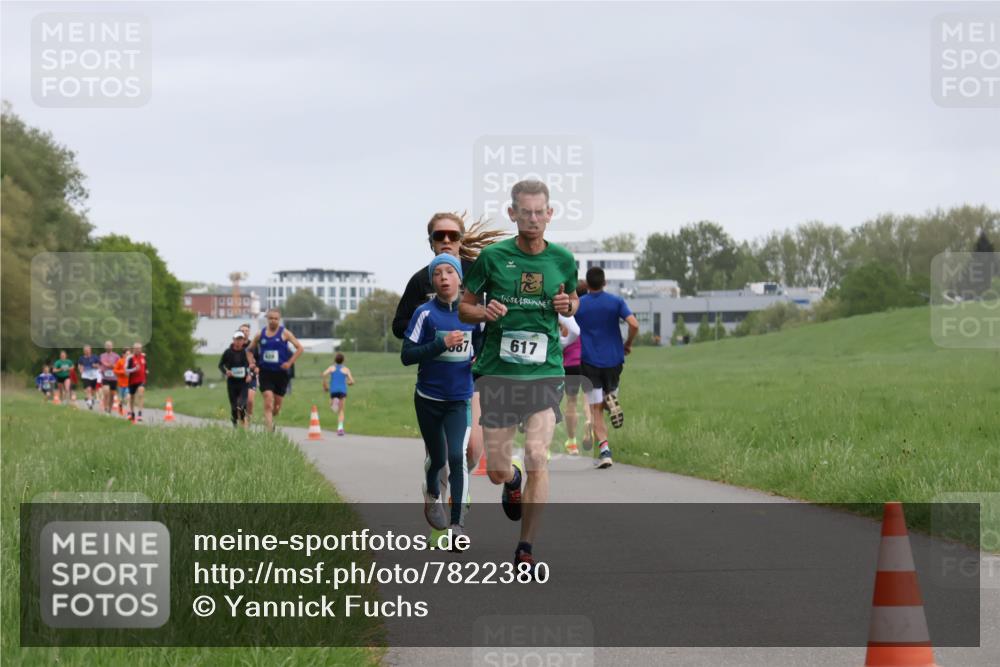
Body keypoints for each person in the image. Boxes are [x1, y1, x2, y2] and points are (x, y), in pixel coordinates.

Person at [459, 180, 578, 569]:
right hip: (498, 374)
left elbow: (572, 300)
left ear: (549, 214)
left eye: (539, 211)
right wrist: (484, 312)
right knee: (495, 469)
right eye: (524, 212)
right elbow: (465, 307)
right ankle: (510, 482)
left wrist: (568, 303)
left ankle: (525, 547)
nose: (532, 218)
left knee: (537, 455)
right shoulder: (493, 258)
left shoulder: (562, 259)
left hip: (544, 373)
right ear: (512, 214)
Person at [393, 212, 505, 474]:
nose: (446, 240)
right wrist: (429, 323)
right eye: (439, 235)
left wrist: (484, 346)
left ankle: (459, 483)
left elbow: (496, 318)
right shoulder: (421, 280)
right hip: (436, 373)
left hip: (471, 372)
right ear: (430, 242)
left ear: (460, 240)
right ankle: (441, 497)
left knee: (473, 448)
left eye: (452, 235)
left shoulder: (478, 273)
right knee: (439, 453)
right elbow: (399, 326)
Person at [403, 254, 478, 542]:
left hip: (459, 399)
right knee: (437, 459)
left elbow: (484, 347)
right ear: (433, 281)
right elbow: (407, 356)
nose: (444, 277)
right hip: (428, 399)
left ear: (460, 279)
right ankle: (432, 490)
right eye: (438, 273)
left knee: (457, 457)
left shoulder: (473, 315)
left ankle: (457, 525)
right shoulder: (425, 313)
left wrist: (478, 359)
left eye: (450, 272)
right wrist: (440, 344)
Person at [575, 266, 640, 469]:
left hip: (589, 361)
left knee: (595, 409)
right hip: (614, 359)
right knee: (605, 400)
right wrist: (628, 343)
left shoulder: (579, 304)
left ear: (587, 284)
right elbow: (634, 324)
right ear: (604, 282)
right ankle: (610, 397)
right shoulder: (616, 302)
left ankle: (605, 451)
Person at [250, 308, 304, 431]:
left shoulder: (285, 333)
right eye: (271, 318)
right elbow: (249, 350)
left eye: (276, 319)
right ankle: (269, 431)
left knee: (277, 407)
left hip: (281, 374)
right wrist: (252, 362)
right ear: (267, 319)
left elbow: (300, 348)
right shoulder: (260, 334)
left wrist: (289, 363)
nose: (273, 321)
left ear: (279, 320)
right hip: (265, 373)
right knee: (268, 402)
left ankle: (271, 419)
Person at [219, 331, 255, 428]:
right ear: (233, 340)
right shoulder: (228, 352)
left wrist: (249, 375)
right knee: (234, 407)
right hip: (232, 383)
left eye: (241, 339)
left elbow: (251, 366)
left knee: (242, 404)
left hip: (243, 383)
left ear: (243, 341)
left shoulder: (246, 353)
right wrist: (226, 372)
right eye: (237, 339)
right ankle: (235, 422)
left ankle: (243, 423)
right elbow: (220, 365)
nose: (238, 342)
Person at [322, 353, 355, 436]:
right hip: (342, 391)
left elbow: (324, 374)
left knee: (333, 407)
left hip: (333, 391)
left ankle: (334, 403)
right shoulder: (346, 370)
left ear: (334, 360)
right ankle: (340, 429)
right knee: (341, 411)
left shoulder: (331, 368)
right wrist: (348, 383)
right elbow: (352, 381)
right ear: (343, 360)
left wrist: (325, 385)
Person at [239, 323, 258, 423]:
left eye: (246, 331)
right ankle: (242, 422)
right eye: (242, 331)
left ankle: (249, 417)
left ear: (249, 333)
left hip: (252, 376)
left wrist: (257, 367)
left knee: (250, 400)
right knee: (240, 403)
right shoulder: (236, 345)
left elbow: (259, 359)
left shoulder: (253, 345)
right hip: (239, 378)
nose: (245, 333)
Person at [125, 342, 148, 422]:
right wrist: (134, 369)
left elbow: (145, 367)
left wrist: (146, 371)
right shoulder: (130, 358)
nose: (138, 350)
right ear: (133, 349)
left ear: (141, 349)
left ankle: (140, 414)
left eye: (139, 348)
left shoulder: (143, 357)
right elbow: (126, 370)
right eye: (136, 348)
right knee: (132, 398)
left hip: (141, 380)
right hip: (132, 381)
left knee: (141, 394)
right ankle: (132, 412)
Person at [98, 341, 120, 415]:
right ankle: (106, 408)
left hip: (114, 378)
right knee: (106, 392)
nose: (108, 347)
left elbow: (119, 365)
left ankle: (109, 409)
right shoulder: (102, 355)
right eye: (107, 346)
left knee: (112, 395)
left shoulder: (116, 356)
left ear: (112, 347)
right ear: (105, 347)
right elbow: (100, 364)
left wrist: (112, 366)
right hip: (105, 377)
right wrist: (101, 369)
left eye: (110, 346)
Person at [77, 345, 101, 409]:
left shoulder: (95, 357)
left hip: (94, 376)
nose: (87, 351)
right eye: (85, 350)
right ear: (84, 351)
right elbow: (79, 366)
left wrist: (95, 365)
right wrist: (80, 369)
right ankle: (90, 403)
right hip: (86, 376)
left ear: (90, 350)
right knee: (88, 389)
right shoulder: (81, 358)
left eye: (88, 350)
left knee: (93, 391)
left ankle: (90, 398)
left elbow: (99, 365)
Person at [114, 349, 130, 415]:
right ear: (123, 354)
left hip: (129, 383)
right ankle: (120, 408)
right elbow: (115, 370)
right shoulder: (120, 361)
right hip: (121, 383)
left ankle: (129, 411)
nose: (128, 355)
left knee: (128, 397)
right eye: (127, 354)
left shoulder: (131, 362)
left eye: (129, 354)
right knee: (121, 399)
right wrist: (122, 372)